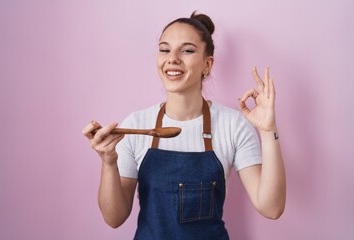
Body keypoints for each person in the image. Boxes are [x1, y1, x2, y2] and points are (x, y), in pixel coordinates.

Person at [82, 11, 286, 240]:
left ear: (207, 65)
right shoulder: (136, 125)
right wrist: (109, 163)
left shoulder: (233, 125)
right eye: (164, 49)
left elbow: (271, 208)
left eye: (187, 50)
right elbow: (114, 218)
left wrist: (269, 132)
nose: (172, 58)